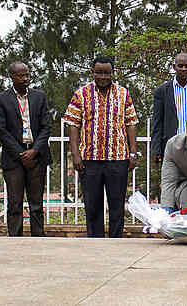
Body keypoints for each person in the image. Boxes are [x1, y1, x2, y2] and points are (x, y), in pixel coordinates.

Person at [63, 56, 140, 238]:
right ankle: (95, 245)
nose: (103, 76)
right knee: (92, 206)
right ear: (93, 72)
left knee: (117, 206)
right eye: (99, 72)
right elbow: (73, 125)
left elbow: (131, 123)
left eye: (107, 73)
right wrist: (75, 155)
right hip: (90, 160)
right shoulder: (81, 94)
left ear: (112, 73)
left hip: (118, 159)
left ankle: (115, 243)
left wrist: (133, 152)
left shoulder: (123, 94)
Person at [0, 61, 52, 237]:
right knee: (15, 204)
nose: (25, 79)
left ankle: (38, 238)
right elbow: (2, 130)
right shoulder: (1, 99)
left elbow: (46, 127)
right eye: (21, 75)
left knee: (36, 204)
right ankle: (15, 241)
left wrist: (34, 151)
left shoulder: (39, 97)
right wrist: (20, 154)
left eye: (27, 74)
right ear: (11, 77)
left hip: (37, 156)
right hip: (14, 159)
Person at [151, 52, 187, 202]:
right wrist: (156, 149)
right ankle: (170, 216)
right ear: (174, 67)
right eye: (180, 66)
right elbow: (157, 122)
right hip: (171, 146)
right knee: (170, 183)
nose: (184, 69)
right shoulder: (162, 91)